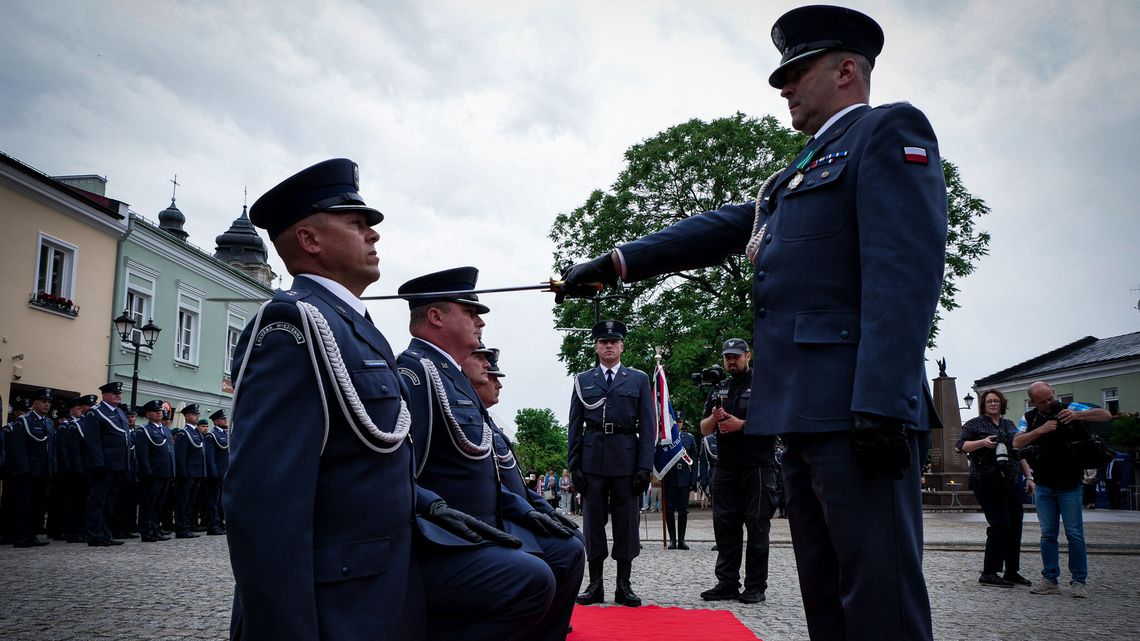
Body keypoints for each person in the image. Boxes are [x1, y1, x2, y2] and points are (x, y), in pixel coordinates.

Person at [561, 6, 946, 638]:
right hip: (800, 414)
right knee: (827, 596)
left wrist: (882, 400)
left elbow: (905, 273)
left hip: (858, 412)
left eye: (796, 71)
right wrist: (615, 261)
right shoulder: (795, 173)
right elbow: (718, 227)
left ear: (847, 69)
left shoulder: (886, 132)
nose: (784, 86)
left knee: (882, 599)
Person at [228, 158, 510, 639]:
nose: (373, 234)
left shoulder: (354, 327)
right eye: (356, 223)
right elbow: (264, 503)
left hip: (384, 580)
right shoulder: (292, 325)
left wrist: (435, 508)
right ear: (310, 241)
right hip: (343, 594)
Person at [397, 267, 563, 640]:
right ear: (436, 317)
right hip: (441, 537)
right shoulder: (415, 372)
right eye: (469, 312)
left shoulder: (450, 374)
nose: (480, 320)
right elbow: (403, 468)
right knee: (532, 578)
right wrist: (432, 507)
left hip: (481, 527)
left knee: (567, 550)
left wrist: (530, 510)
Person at [461, 343, 586, 641]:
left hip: (515, 512)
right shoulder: (472, 421)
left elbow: (516, 482)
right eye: (492, 376)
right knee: (559, 556)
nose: (498, 383)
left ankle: (550, 623)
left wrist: (543, 509)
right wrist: (529, 512)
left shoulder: (491, 425)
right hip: (500, 518)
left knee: (573, 540)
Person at [567, 320, 655, 608]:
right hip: (592, 460)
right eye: (603, 341)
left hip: (627, 460)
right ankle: (595, 584)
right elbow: (575, 425)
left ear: (622, 346)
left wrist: (644, 466)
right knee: (593, 524)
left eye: (614, 341)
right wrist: (574, 465)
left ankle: (623, 585)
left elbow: (649, 425)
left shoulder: (638, 379)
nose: (608, 345)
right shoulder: (583, 380)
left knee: (626, 523)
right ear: (595, 346)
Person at [1014, 381, 1112, 598]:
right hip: (1044, 484)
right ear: (1033, 402)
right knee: (1048, 534)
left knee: (1074, 534)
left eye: (1050, 398)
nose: (1049, 403)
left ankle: (1079, 581)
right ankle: (1050, 579)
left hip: (1070, 483)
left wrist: (1077, 416)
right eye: (1043, 401)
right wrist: (1040, 430)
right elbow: (1017, 442)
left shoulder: (1072, 408)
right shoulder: (1029, 418)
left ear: (1054, 393)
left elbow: (1105, 414)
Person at [698, 339, 776, 603]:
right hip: (726, 467)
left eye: (736, 356)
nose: (731, 361)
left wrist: (741, 424)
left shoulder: (764, 384)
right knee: (725, 528)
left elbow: (775, 422)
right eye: (727, 357)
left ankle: (755, 586)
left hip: (756, 467)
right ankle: (727, 582)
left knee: (756, 528)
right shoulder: (720, 387)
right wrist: (716, 419)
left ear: (748, 356)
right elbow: (704, 428)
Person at [956, 389, 1033, 587]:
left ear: (1002, 403)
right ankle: (989, 572)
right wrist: (983, 442)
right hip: (986, 479)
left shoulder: (1009, 424)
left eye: (996, 401)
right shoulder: (975, 424)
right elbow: (961, 445)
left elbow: (1018, 452)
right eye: (989, 401)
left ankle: (1011, 571)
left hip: (1010, 479)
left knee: (1015, 524)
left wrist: (1028, 476)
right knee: (1000, 524)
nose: (992, 404)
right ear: (983, 405)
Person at [82, 381, 132, 547]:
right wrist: (98, 464)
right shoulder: (95, 413)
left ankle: (105, 533)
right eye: (114, 393)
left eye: (119, 393)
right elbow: (93, 441)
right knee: (98, 501)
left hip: (118, 464)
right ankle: (94, 534)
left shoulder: (119, 413)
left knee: (110, 502)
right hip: (104, 465)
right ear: (104, 395)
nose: (118, 395)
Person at [5, 388, 55, 547]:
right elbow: (18, 448)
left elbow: (51, 448)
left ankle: (32, 535)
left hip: (43, 470)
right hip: (28, 471)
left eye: (49, 402)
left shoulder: (48, 422)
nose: (47, 404)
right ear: (34, 403)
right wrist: (23, 469)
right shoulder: (24, 421)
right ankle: (19, 537)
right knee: (23, 504)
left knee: (38, 505)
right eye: (43, 401)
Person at [133, 399, 175, 543]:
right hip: (153, 474)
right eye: (156, 411)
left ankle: (156, 528)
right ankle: (146, 531)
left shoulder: (166, 430)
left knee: (159, 504)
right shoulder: (144, 430)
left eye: (160, 411)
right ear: (148, 414)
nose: (159, 413)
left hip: (165, 472)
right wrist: (147, 471)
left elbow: (170, 453)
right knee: (148, 503)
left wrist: (172, 471)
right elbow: (142, 454)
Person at [57, 394, 96, 543]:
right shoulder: (76, 425)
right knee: (75, 502)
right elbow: (72, 451)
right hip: (78, 471)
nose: (91, 409)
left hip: (90, 469)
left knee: (86, 502)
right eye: (88, 406)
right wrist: (78, 469)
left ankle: (83, 529)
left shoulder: (90, 423)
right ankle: (72, 532)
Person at [173, 404, 207, 539]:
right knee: (183, 501)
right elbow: (180, 456)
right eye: (194, 414)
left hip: (197, 473)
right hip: (187, 474)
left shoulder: (196, 432)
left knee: (191, 502)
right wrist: (182, 474)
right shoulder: (184, 433)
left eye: (197, 414)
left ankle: (187, 527)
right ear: (187, 417)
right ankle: (181, 529)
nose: (197, 416)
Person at [662, 423, 696, 549]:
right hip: (669, 477)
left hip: (684, 477)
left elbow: (694, 459)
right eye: (676, 421)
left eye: (680, 422)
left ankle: (681, 540)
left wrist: (693, 479)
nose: (679, 424)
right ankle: (672, 540)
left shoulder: (689, 438)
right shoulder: (666, 438)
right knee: (669, 510)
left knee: (683, 510)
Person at [203, 411, 228, 535]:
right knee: (214, 501)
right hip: (217, 474)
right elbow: (210, 456)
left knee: (221, 501)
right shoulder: (211, 435)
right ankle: (212, 525)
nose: (225, 420)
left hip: (225, 473)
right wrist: (213, 473)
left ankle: (219, 523)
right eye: (223, 419)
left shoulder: (225, 434)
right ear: (217, 421)